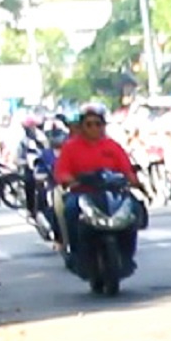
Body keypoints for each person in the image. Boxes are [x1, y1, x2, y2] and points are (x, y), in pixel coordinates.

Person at [53, 102, 138, 272]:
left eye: (98, 124)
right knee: (70, 210)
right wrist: (72, 180)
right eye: (89, 124)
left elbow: (127, 170)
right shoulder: (70, 148)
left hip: (112, 194)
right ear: (82, 127)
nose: (94, 128)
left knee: (134, 209)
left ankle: (127, 254)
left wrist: (135, 182)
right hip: (82, 194)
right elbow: (62, 172)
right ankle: (76, 255)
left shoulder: (113, 146)